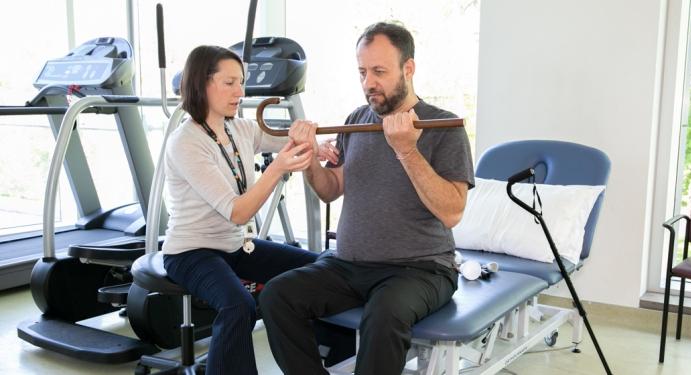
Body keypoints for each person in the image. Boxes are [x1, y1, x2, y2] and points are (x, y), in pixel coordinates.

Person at [261, 22, 475, 374]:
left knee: (385, 313)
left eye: (379, 71)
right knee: (277, 296)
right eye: (362, 72)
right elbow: (330, 189)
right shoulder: (356, 121)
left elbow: (452, 212)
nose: (368, 83)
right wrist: (310, 159)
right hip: (347, 266)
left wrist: (407, 151)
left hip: (420, 270)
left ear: (408, 69)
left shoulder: (444, 127)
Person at [161, 45, 319, 375]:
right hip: (191, 252)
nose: (241, 92)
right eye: (230, 82)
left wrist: (316, 142)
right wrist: (276, 169)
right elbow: (237, 213)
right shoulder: (186, 142)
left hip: (235, 247)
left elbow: (284, 139)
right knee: (238, 307)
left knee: (322, 270)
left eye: (242, 82)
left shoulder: (239, 129)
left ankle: (330, 360)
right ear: (202, 84)